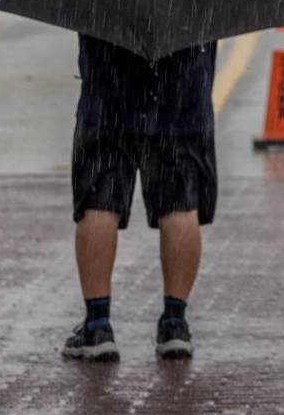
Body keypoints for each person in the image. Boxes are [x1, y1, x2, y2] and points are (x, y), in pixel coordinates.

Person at [60, 37, 217, 362]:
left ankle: (98, 324)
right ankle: (175, 324)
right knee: (179, 199)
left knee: (100, 196)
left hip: (110, 71)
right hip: (183, 77)